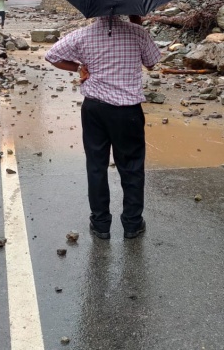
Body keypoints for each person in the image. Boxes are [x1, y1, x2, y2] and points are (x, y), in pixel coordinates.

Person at [44, 14, 161, 240]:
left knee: (96, 165)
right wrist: (137, 22)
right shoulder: (137, 32)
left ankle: (100, 224)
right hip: (128, 111)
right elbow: (152, 62)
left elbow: (52, 55)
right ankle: (132, 224)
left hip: (95, 109)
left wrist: (79, 67)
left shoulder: (83, 34)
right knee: (132, 166)